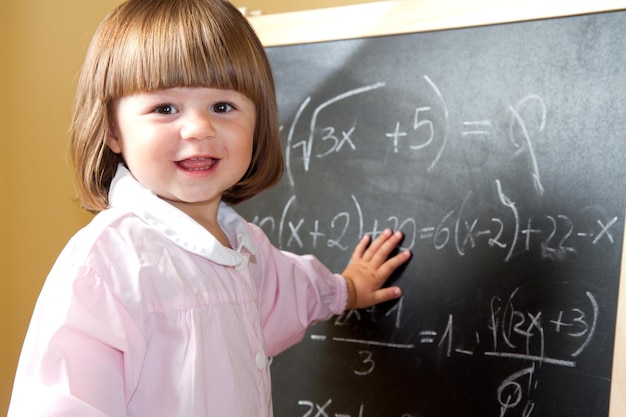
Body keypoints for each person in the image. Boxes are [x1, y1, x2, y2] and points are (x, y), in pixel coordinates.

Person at [7, 0, 412, 415]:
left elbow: (290, 294)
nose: (200, 128)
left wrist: (347, 288)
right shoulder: (106, 264)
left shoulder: (244, 247)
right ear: (112, 129)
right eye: (165, 109)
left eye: (223, 107)